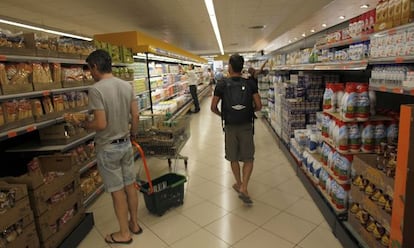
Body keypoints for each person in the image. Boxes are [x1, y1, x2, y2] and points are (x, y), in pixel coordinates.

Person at [71, 49, 141, 244]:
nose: (90, 73)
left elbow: (101, 124)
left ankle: (124, 234)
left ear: (95, 66)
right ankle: (134, 224)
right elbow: (135, 115)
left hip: (108, 148)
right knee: (130, 186)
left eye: (90, 69)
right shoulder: (126, 85)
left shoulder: (96, 89)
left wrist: (84, 124)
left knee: (117, 192)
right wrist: (133, 134)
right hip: (126, 144)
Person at [210, 54, 262, 205]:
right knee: (248, 158)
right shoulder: (250, 83)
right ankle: (244, 187)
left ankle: (238, 183)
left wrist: (223, 115)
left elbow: (213, 107)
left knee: (233, 157)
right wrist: (249, 111)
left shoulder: (221, 84)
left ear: (230, 67)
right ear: (242, 66)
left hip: (230, 127)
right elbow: (259, 106)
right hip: (246, 126)